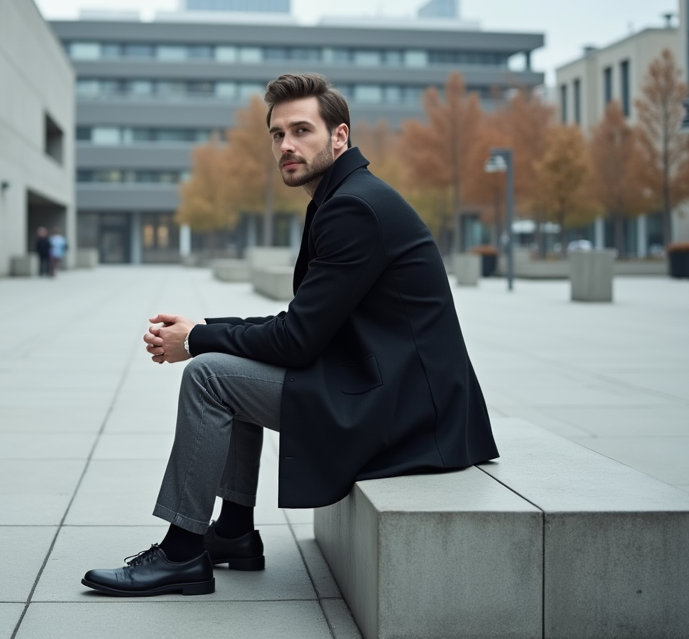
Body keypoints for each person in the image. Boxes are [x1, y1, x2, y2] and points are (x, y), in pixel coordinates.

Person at [81, 73, 498, 597]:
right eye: (278, 134)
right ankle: (233, 532)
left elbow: (297, 340)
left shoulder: (353, 208)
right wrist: (204, 330)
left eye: (302, 130)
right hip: (393, 387)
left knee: (210, 376)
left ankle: (183, 553)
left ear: (339, 136)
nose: (286, 145)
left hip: (405, 410)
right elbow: (304, 324)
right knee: (228, 369)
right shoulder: (343, 196)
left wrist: (197, 341)